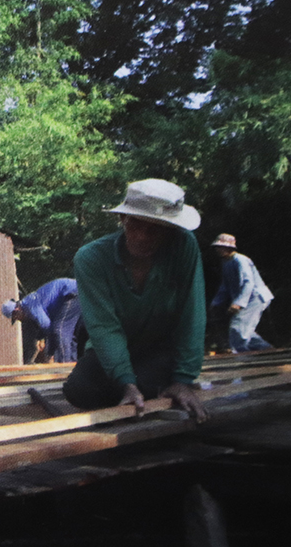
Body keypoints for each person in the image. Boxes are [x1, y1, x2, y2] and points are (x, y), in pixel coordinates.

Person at [62, 179, 208, 423]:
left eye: (155, 229)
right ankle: (147, 388)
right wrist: (126, 384)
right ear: (123, 220)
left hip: (160, 350)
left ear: (170, 230)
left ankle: (159, 386)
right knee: (79, 389)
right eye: (135, 224)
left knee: (152, 379)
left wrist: (184, 380)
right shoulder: (91, 258)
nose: (142, 236)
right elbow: (104, 328)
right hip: (113, 351)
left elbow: (192, 315)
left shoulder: (183, 247)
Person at [209, 233, 274, 353]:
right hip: (247, 299)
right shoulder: (226, 262)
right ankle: (268, 351)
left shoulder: (241, 260)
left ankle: (240, 359)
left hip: (255, 297)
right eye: (217, 247)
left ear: (229, 248)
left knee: (237, 327)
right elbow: (225, 286)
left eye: (221, 246)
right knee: (247, 331)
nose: (218, 249)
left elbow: (248, 282)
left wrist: (239, 303)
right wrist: (216, 302)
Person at [2, 278, 80, 363]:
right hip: (74, 293)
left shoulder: (30, 305)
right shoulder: (30, 303)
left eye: (17, 318)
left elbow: (47, 325)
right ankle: (73, 364)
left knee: (60, 330)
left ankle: (66, 369)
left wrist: (49, 351)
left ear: (16, 311)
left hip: (70, 293)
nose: (20, 321)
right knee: (68, 333)